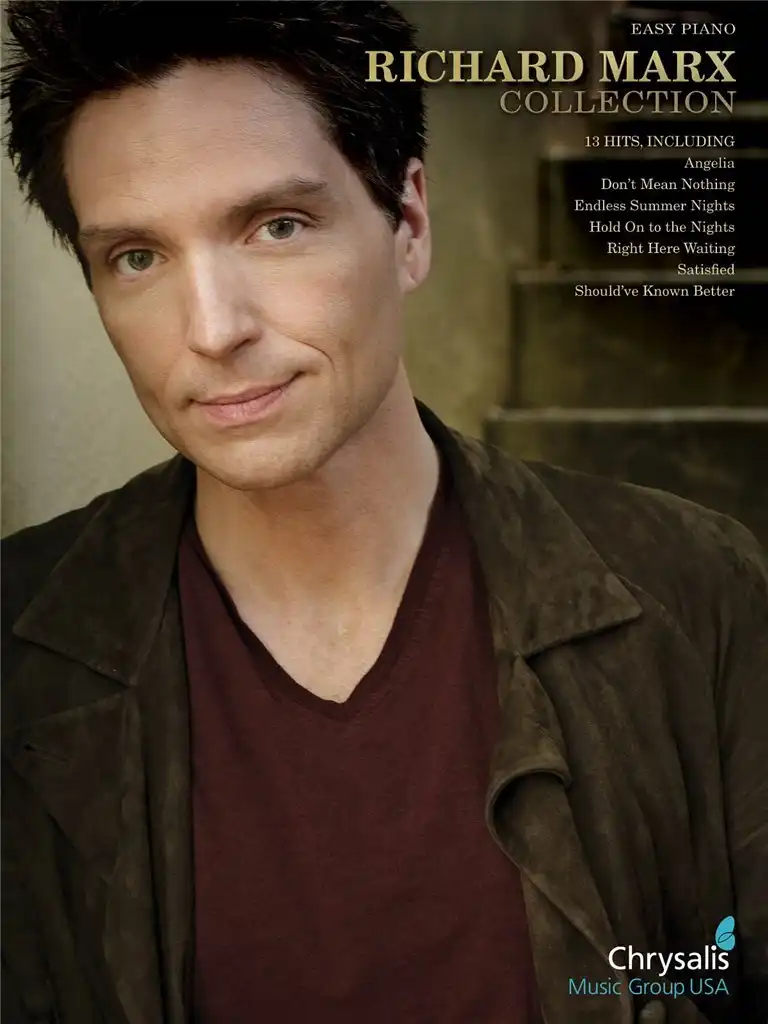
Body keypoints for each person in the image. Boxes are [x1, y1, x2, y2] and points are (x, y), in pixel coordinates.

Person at [1, 3, 766, 1022]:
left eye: (277, 226)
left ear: (408, 222)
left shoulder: (695, 586)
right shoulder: (19, 646)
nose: (213, 329)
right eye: (137, 256)